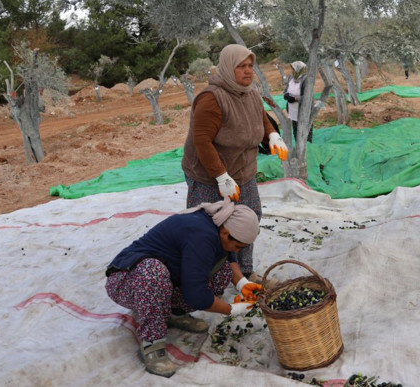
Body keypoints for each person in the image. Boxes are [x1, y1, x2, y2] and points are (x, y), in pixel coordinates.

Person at [105, 199, 263, 377]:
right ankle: (152, 342)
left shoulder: (220, 224)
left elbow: (229, 256)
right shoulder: (201, 235)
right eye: (238, 246)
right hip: (128, 281)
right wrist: (231, 309)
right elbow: (196, 295)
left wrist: (242, 283)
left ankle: (172, 313)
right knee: (153, 271)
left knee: (223, 270)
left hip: (166, 278)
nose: (238, 250)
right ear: (226, 233)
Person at [181, 44, 288, 279]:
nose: (248, 71)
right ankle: (209, 279)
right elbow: (202, 142)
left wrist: (272, 136)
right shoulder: (211, 99)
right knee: (212, 228)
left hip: (242, 170)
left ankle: (245, 272)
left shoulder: (250, 92)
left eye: (251, 66)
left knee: (250, 218)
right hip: (209, 175)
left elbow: (261, 118)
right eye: (242, 66)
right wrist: (220, 176)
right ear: (229, 68)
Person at [283, 60, 313, 143]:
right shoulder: (291, 77)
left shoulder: (306, 80)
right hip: (293, 110)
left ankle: (307, 148)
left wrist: (295, 99)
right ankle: (298, 147)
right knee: (296, 130)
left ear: (299, 69)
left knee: (305, 131)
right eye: (292, 69)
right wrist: (286, 95)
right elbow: (286, 89)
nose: (292, 71)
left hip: (303, 110)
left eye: (293, 69)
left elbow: (308, 96)